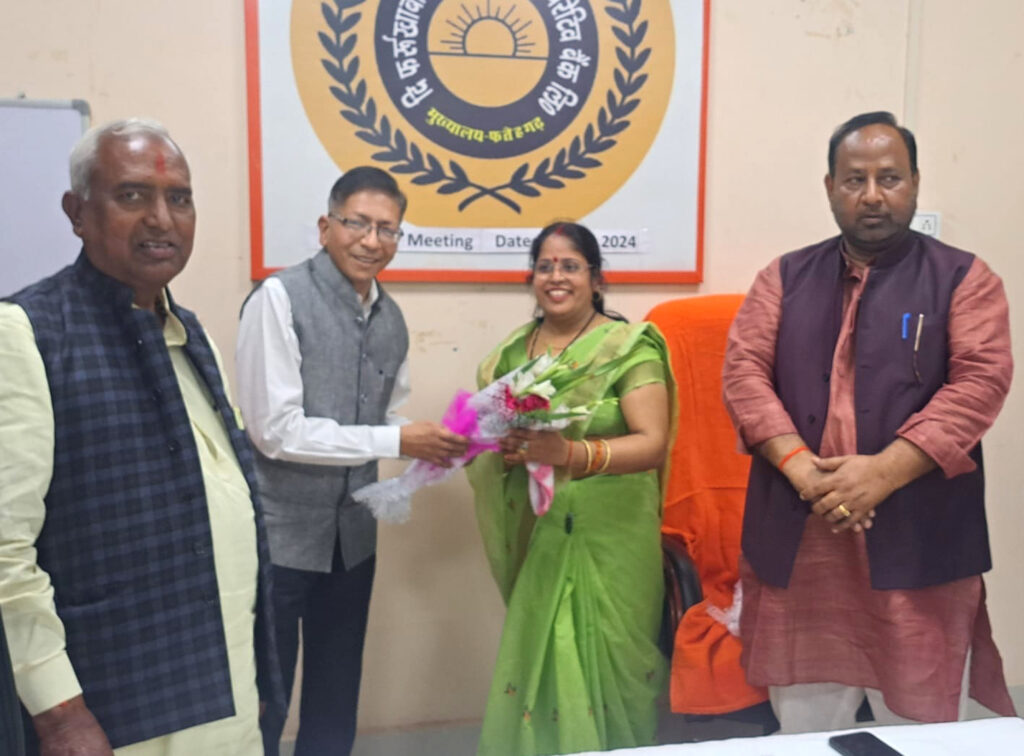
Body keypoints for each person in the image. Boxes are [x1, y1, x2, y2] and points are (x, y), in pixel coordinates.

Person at [722, 111, 1016, 733]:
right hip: (803, 538)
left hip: (918, 535)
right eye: (855, 179)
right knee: (806, 727)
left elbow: (978, 384)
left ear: (916, 183)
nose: (873, 195)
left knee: (921, 727)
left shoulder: (965, 278)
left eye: (890, 177)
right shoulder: (782, 277)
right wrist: (806, 472)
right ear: (830, 187)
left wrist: (880, 474)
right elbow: (744, 375)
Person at [0, 118, 282, 754]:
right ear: (77, 212)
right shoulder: (28, 333)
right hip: (116, 708)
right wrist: (60, 713)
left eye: (178, 198)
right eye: (132, 195)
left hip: (227, 691)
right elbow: (6, 551)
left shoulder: (191, 333)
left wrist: (257, 672)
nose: (161, 219)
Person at [235, 166, 468, 756]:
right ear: (325, 227)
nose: (371, 241)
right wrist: (397, 442)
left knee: (336, 699)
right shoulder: (278, 298)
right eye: (357, 224)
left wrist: (436, 444)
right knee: (264, 701)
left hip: (353, 538)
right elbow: (274, 432)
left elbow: (386, 416)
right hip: (278, 539)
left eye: (387, 229)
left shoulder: (391, 318)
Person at [466, 222, 674, 755]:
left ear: (597, 280)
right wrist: (503, 447)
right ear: (531, 278)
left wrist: (571, 455)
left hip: (614, 539)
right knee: (545, 657)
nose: (556, 276)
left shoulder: (629, 347)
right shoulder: (510, 355)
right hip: (542, 534)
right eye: (545, 266)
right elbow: (495, 438)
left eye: (570, 266)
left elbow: (652, 444)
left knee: (616, 670)